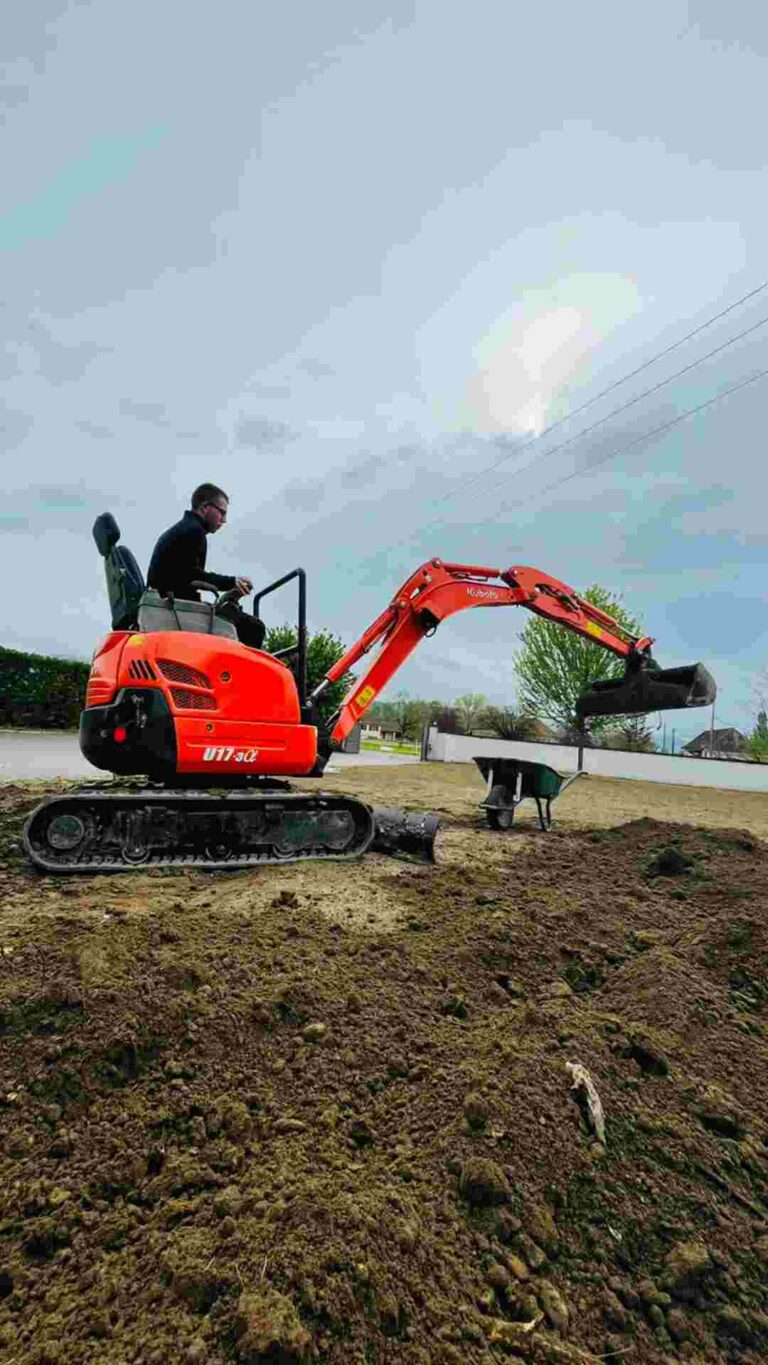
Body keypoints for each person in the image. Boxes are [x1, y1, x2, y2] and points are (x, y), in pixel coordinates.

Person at [147, 483, 266, 648]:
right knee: (254, 628)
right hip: (176, 610)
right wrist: (232, 582)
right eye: (221, 513)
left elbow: (186, 576)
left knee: (232, 614)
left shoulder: (185, 528)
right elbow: (192, 576)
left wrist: (229, 591)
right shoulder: (194, 531)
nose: (223, 521)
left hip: (169, 605)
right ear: (204, 508)